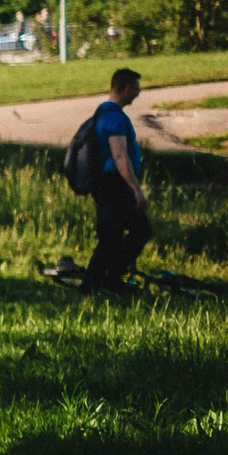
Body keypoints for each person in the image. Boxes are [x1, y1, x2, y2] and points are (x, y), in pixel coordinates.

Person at [83, 67, 151, 296]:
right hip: (114, 185)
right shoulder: (113, 117)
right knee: (135, 231)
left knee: (113, 235)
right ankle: (102, 280)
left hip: (109, 184)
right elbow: (120, 156)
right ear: (126, 88)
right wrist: (136, 191)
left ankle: (102, 280)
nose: (139, 93)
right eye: (136, 88)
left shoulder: (104, 112)